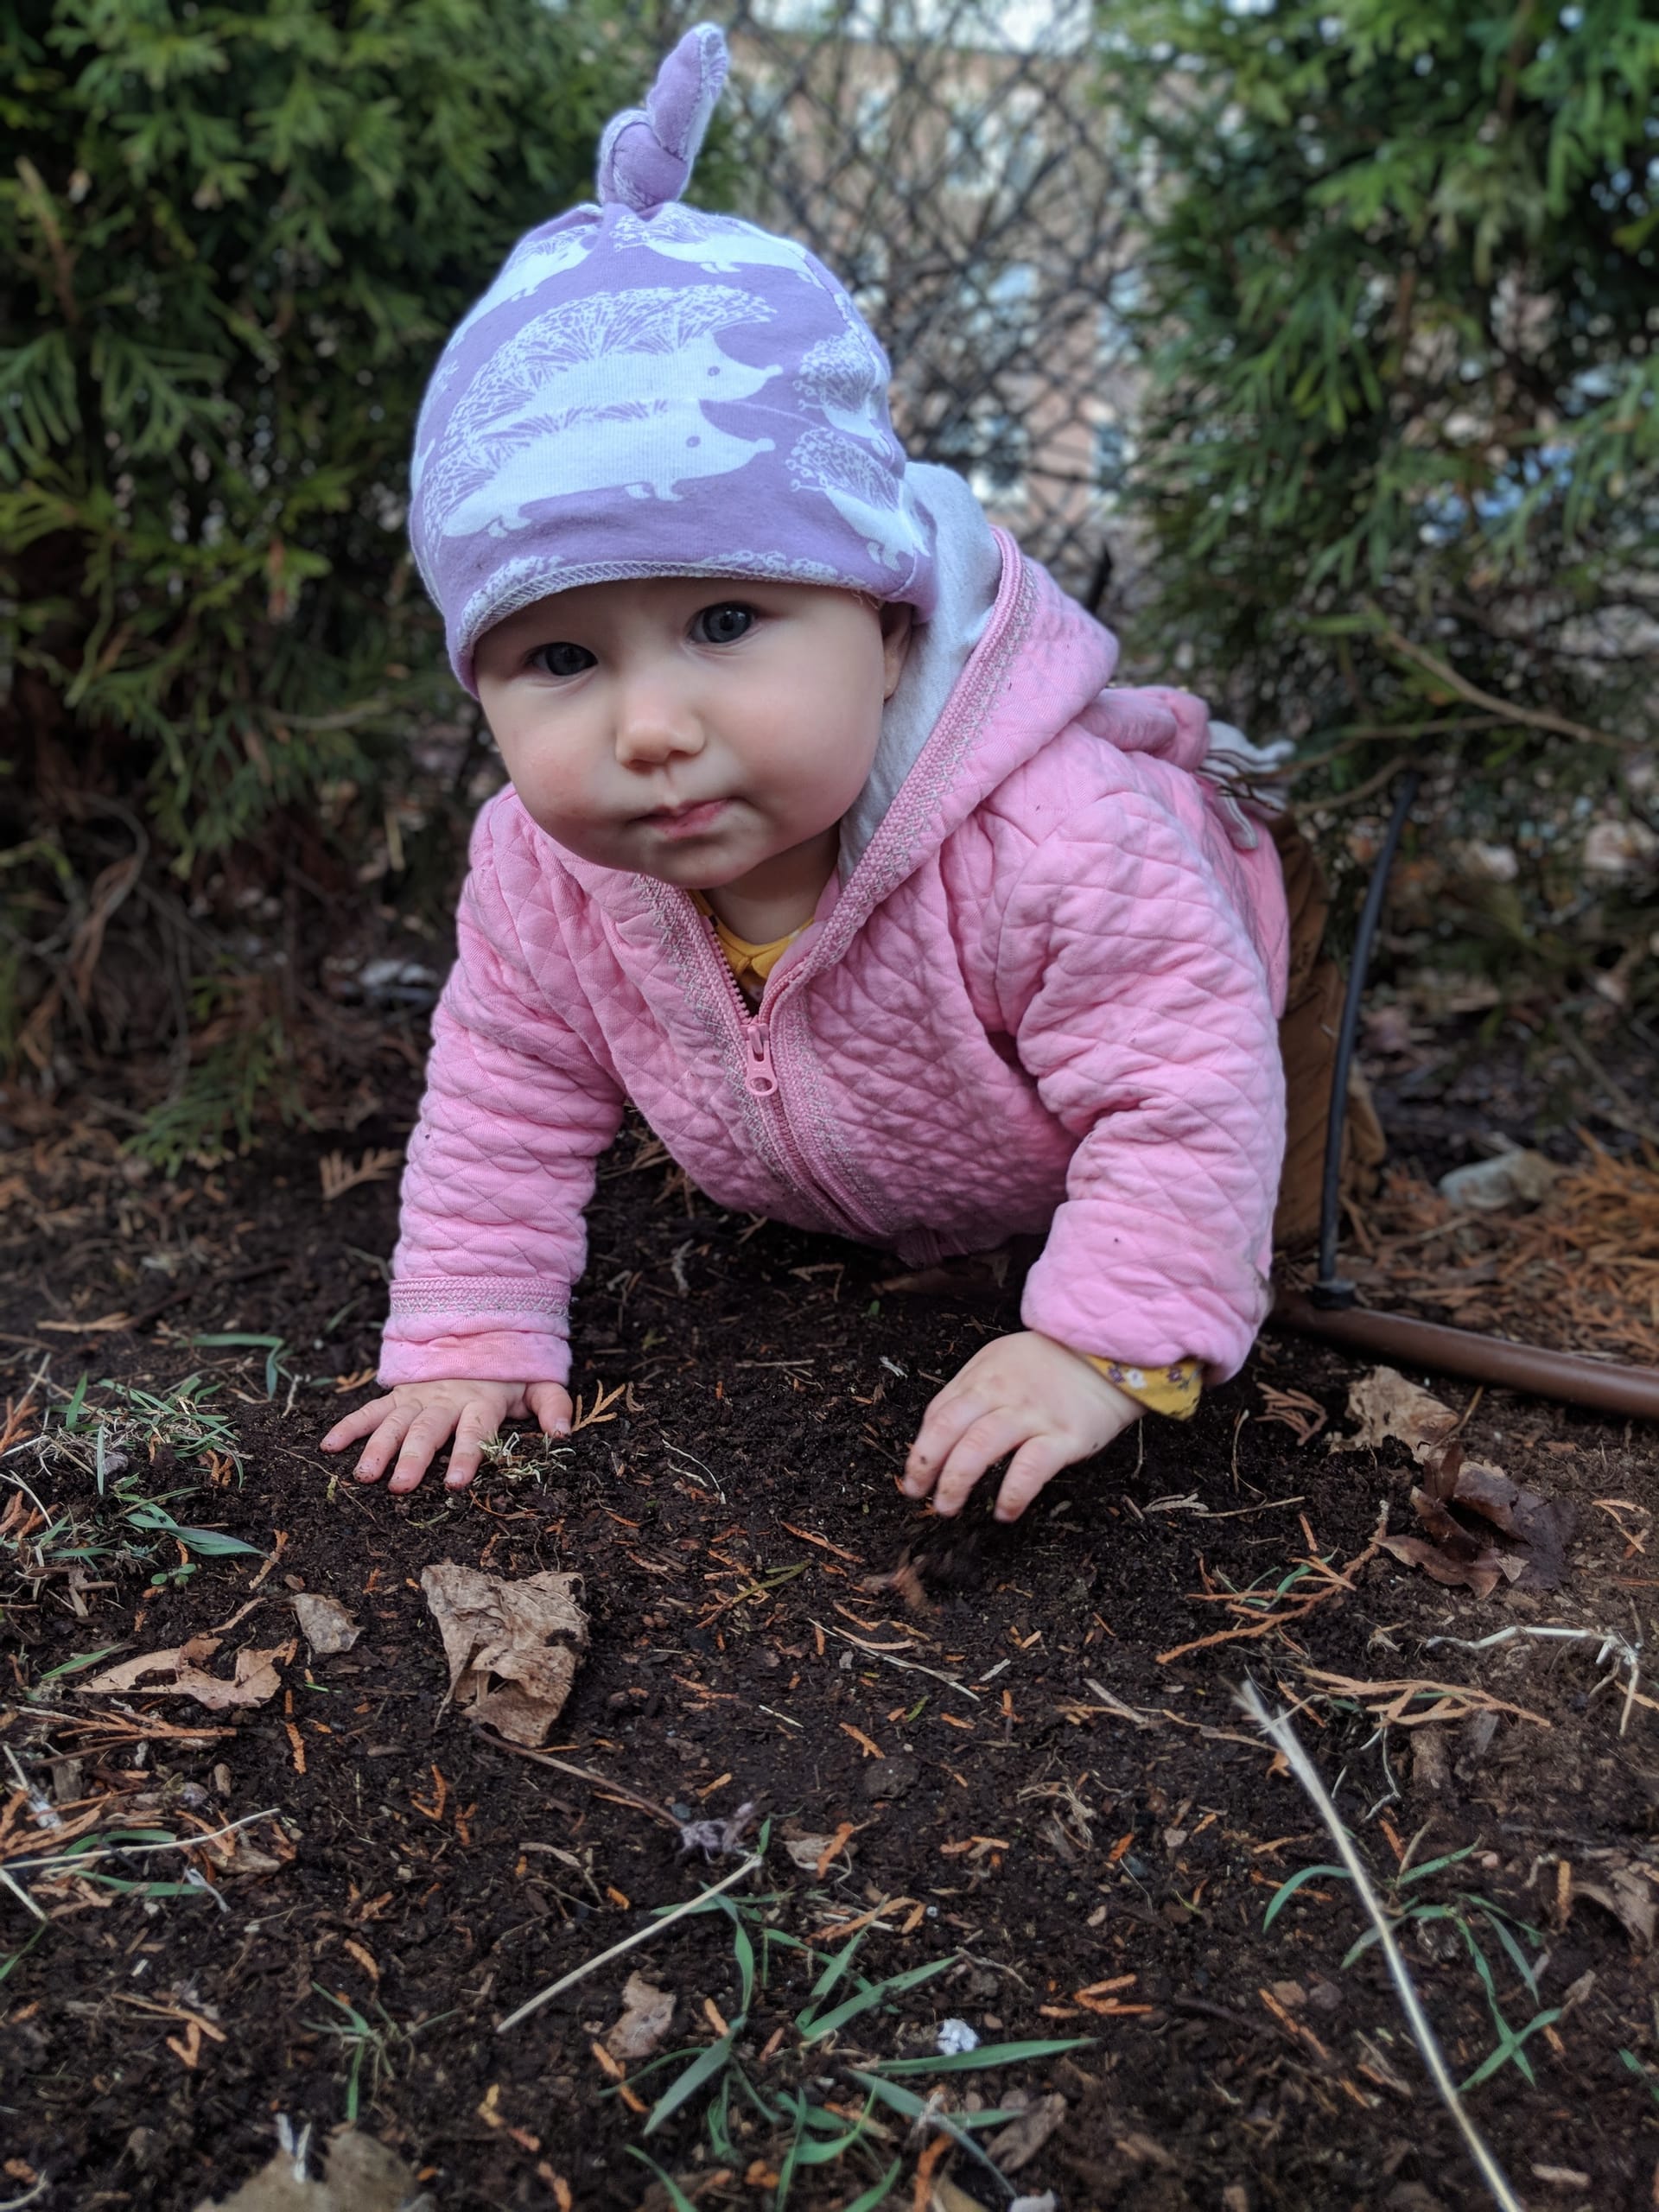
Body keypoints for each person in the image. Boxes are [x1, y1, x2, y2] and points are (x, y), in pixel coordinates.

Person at [321, 24, 1366, 1522]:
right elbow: (509, 1087)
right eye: (561, 660)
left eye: (726, 622)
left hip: (1221, 947)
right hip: (903, 1141)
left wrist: (1093, 1348)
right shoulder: (541, 871)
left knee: (1266, 1201)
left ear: (887, 633)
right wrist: (471, 1329)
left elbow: (1181, 1086)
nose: (650, 728)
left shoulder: (1054, 840)